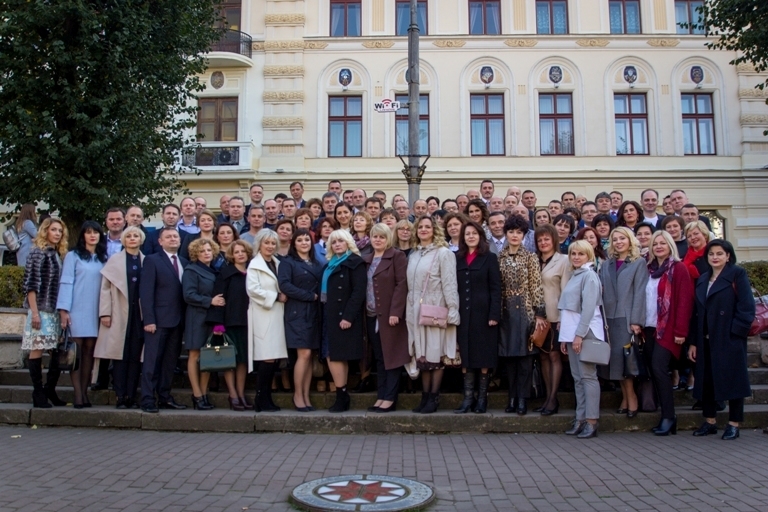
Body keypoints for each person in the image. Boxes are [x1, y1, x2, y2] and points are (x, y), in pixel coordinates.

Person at [689, 240, 755, 440]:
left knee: (734, 381)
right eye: (711, 254)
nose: (715, 257)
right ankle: (710, 421)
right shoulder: (703, 279)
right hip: (706, 339)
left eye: (719, 253)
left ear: (728, 256)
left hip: (728, 339)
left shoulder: (737, 274)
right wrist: (694, 341)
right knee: (706, 381)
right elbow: (696, 313)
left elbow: (746, 307)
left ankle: (734, 424)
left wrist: (735, 334)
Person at [406, 216, 460, 414]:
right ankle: (425, 396)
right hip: (415, 308)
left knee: (435, 354)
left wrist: (453, 308)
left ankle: (433, 397)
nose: (423, 230)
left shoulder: (444, 253)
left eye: (428, 227)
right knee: (422, 356)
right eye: (420, 227)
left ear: (434, 230)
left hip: (435, 308)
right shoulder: (413, 254)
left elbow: (449, 283)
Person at [644, 231, 694, 436]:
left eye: (663, 243)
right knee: (653, 370)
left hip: (668, 328)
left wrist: (681, 331)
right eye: (655, 243)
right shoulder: (648, 269)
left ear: (670, 245)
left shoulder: (678, 268)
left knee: (659, 368)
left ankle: (669, 416)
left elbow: (685, 301)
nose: (659, 246)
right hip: (649, 327)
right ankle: (665, 415)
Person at [498, 215, 546, 416]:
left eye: (519, 232)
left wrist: (539, 313)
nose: (515, 235)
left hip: (525, 310)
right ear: (506, 233)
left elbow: (536, 285)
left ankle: (522, 399)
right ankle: (512, 396)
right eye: (511, 232)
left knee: (525, 360)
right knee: (509, 358)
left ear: (524, 235)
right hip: (505, 311)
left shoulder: (531, 257)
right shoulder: (499, 257)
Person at [598, 226, 648, 418]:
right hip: (608, 318)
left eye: (622, 239)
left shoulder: (638, 263)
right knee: (615, 363)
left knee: (627, 361)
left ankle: (631, 398)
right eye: (615, 239)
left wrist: (636, 321)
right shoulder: (607, 264)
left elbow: (640, 293)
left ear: (630, 241)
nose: (619, 242)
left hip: (626, 319)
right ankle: (625, 398)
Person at [57, 221, 107, 409]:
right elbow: (66, 283)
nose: (92, 235)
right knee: (76, 354)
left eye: (96, 232)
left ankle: (85, 393)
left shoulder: (103, 258)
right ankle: (78, 395)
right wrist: (64, 310)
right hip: (76, 309)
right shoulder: (73, 256)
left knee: (89, 354)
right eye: (88, 232)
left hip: (96, 310)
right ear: (82, 236)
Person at [95, 226, 146, 409]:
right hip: (118, 313)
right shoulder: (115, 260)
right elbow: (105, 289)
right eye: (129, 236)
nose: (133, 239)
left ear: (141, 239)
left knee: (135, 357)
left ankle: (131, 396)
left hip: (138, 315)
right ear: (124, 240)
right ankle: (120, 396)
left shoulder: (145, 261)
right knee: (119, 356)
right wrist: (105, 313)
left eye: (136, 236)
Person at [139, 227, 188, 413]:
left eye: (175, 236)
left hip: (177, 321)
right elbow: (146, 292)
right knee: (152, 363)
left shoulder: (183, 262)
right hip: (157, 321)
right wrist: (149, 319)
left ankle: (165, 397)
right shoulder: (152, 260)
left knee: (169, 363)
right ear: (160, 241)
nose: (173, 239)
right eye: (168, 237)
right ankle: (148, 399)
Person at [454, 221, 501, 414]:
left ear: (480, 236)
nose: (470, 236)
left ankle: (482, 399)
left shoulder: (489, 258)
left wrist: (494, 314)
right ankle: (467, 399)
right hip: (463, 315)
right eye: (467, 234)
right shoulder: (457, 258)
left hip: (484, 316)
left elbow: (496, 288)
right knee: (466, 356)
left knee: (483, 357)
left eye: (474, 233)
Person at [558, 240, 604, 439]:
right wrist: (566, 337)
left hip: (585, 332)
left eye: (581, 254)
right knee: (578, 378)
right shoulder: (575, 275)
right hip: (573, 333)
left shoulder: (589, 276)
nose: (576, 257)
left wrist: (579, 335)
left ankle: (592, 421)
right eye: (573, 253)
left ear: (589, 256)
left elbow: (588, 309)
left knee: (588, 377)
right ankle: (580, 419)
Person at [362, 224, 409, 413]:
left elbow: (402, 284)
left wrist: (395, 312)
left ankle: (390, 398)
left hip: (390, 316)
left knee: (392, 357)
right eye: (375, 237)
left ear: (388, 238)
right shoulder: (367, 259)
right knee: (380, 358)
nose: (378, 240)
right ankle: (381, 396)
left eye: (382, 237)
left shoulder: (397, 256)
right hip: (371, 315)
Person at [22, 218, 68, 408]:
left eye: (60, 231)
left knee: (57, 351)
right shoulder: (37, 253)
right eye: (53, 230)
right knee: (37, 349)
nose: (57, 233)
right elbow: (31, 285)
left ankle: (50, 388)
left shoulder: (57, 254)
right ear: (45, 231)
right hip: (40, 309)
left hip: (54, 310)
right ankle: (38, 392)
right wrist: (34, 313)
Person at [321, 229, 367, 412]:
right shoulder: (329, 264)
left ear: (348, 242)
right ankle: (342, 393)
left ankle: (342, 395)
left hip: (344, 316)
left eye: (341, 241)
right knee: (332, 354)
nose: (337, 244)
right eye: (334, 242)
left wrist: (348, 316)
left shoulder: (355, 262)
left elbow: (358, 292)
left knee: (337, 354)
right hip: (328, 313)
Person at [278, 229, 324, 412]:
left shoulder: (316, 263)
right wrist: (308, 296)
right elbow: (285, 285)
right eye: (300, 240)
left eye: (307, 239)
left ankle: (305, 395)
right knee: (303, 354)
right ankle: (298, 395)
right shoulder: (288, 262)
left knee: (309, 355)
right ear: (293, 243)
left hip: (314, 312)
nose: (304, 242)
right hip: (297, 312)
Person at [207, 240, 254, 411]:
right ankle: (232, 394)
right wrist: (218, 324)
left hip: (248, 323)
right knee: (230, 359)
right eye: (237, 252)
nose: (240, 254)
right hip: (230, 322)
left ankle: (241, 393)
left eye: (243, 251)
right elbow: (218, 299)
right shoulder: (225, 274)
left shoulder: (253, 273)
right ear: (232, 255)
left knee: (243, 361)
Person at [247, 230, 287, 412]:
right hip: (263, 315)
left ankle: (266, 399)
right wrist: (276, 296)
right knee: (266, 358)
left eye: (273, 243)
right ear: (259, 244)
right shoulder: (254, 265)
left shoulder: (277, 263)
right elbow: (252, 290)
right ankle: (261, 399)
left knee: (273, 359)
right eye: (267, 243)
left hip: (277, 315)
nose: (270, 246)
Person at [182, 238, 224, 410]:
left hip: (211, 318)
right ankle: (197, 395)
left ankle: (204, 393)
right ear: (195, 254)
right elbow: (188, 295)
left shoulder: (214, 270)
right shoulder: (191, 270)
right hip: (196, 317)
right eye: (202, 251)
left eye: (208, 250)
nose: (206, 253)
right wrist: (210, 301)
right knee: (195, 355)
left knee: (207, 356)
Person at [535, 224, 571, 415]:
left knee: (555, 355)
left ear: (554, 241)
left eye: (546, 239)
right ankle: (547, 396)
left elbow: (566, 291)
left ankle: (553, 399)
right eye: (540, 240)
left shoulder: (563, 261)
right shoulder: (534, 260)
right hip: (537, 318)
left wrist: (565, 317)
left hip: (556, 316)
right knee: (542, 356)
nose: (543, 243)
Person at [14, 203, 39, 268]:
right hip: (27, 251)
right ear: (30, 212)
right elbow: (37, 235)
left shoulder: (20, 222)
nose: (35, 213)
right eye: (33, 211)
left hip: (21, 250)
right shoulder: (28, 223)